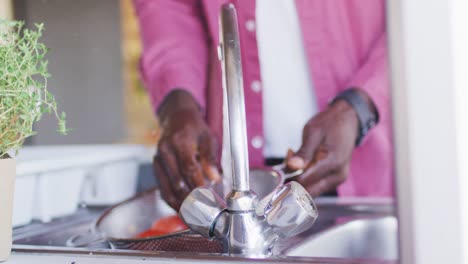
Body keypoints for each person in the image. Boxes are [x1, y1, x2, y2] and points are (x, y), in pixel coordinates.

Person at [133, 0, 393, 210]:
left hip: (365, 165)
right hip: (226, 174)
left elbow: (421, 16)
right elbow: (169, 8)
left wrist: (360, 107)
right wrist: (179, 107)